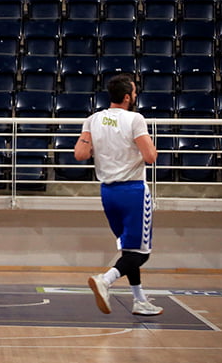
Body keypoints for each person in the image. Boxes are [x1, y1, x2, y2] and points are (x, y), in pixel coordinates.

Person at [74, 73, 163, 316]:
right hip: (133, 191)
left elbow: (80, 155)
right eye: (134, 93)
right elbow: (150, 157)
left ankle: (139, 300)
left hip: (108, 193)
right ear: (127, 97)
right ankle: (106, 279)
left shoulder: (93, 119)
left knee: (129, 251)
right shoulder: (135, 118)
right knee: (142, 254)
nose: (135, 96)